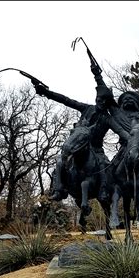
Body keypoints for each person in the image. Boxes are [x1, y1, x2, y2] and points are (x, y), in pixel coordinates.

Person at [33, 65, 113, 202]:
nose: (100, 102)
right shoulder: (86, 108)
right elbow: (66, 100)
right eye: (99, 99)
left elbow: (122, 131)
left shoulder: (109, 119)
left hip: (96, 150)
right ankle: (58, 189)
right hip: (77, 146)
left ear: (107, 102)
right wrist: (47, 93)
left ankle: (104, 191)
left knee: (103, 165)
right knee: (60, 161)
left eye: (104, 101)